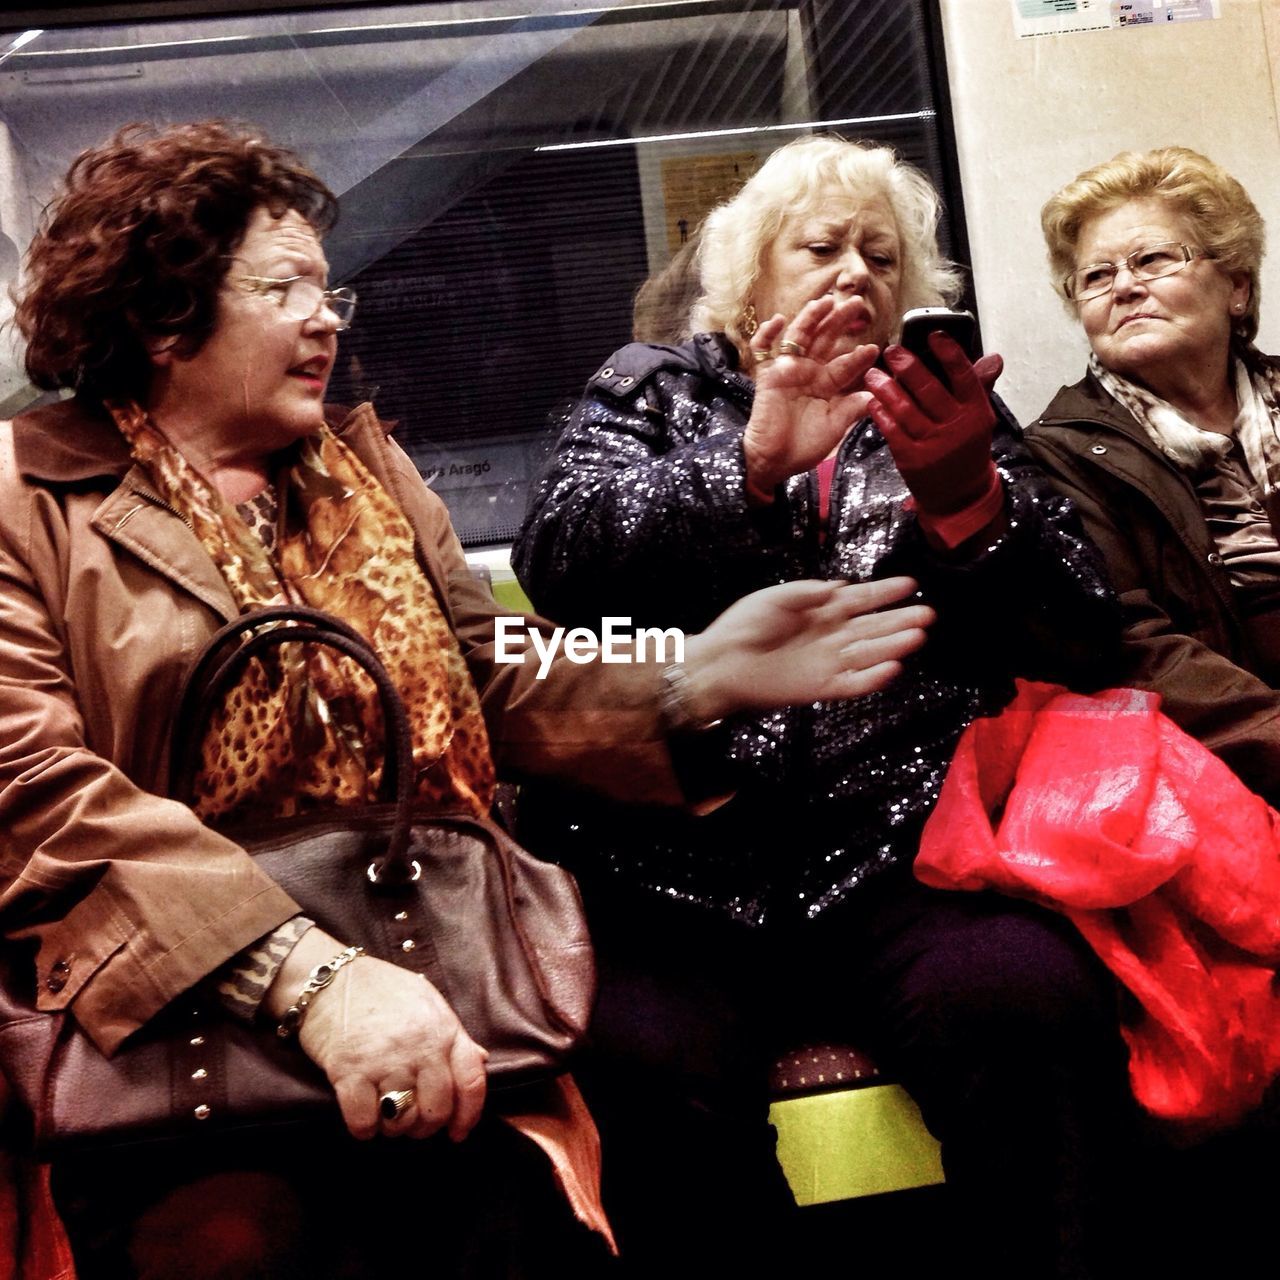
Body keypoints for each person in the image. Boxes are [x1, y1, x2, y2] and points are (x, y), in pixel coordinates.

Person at [0, 120, 937, 1280]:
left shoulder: (368, 474)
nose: (326, 315)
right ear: (159, 315)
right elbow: (36, 799)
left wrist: (693, 672)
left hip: (432, 976)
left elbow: (491, 674)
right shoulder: (26, 501)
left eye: (326, 285)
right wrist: (314, 983)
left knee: (525, 1242)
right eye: (283, 287)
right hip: (180, 1033)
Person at [513, 133, 1134, 1279]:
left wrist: (966, 505)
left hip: (902, 852)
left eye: (881, 257)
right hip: (674, 862)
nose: (854, 273)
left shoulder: (947, 413)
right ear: (752, 275)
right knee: (641, 1066)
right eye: (821, 248)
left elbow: (1084, 631)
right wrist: (750, 460)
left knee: (1031, 1007)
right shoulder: (652, 386)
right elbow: (562, 564)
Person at [1025, 144, 1280, 1271]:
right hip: (1213, 791)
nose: (1118, 285)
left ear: (1232, 283)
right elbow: (1126, 645)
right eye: (1093, 276)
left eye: (1151, 258)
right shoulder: (1056, 455)